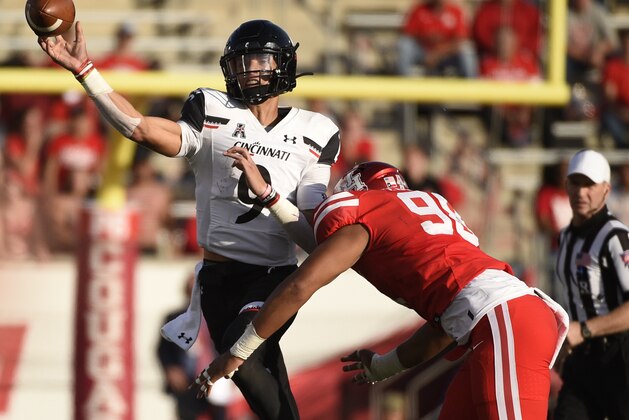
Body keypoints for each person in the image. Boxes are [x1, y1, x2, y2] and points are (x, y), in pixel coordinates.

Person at [38, 19, 341, 420]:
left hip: (274, 276)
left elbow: (310, 237)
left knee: (243, 356)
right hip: (217, 280)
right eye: (242, 61)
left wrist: (269, 196)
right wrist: (86, 72)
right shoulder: (212, 110)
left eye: (259, 59)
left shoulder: (315, 132)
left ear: (282, 64)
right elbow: (141, 129)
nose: (249, 69)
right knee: (259, 372)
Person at [193, 158, 568, 419]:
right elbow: (445, 325)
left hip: (504, 321)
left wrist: (240, 350)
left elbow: (300, 285)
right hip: (495, 321)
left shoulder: (365, 217)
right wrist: (385, 365)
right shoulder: (410, 219)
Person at [553, 149, 629, 420]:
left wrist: (584, 330)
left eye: (589, 185)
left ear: (606, 190)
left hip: (618, 358)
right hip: (581, 362)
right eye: (575, 182)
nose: (581, 192)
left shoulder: (615, 237)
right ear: (566, 185)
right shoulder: (566, 237)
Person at [397, 0, 477, 78]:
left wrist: (437, 55)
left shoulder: (455, 11)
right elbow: (408, 34)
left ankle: (471, 86)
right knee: (405, 45)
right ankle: (403, 83)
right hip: (424, 52)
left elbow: (460, 40)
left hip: (447, 55)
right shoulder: (419, 10)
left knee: (466, 49)